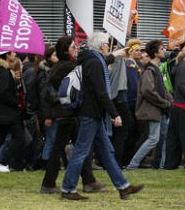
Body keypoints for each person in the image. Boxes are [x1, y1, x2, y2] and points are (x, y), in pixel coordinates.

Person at [61, 32, 144, 200]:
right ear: (101, 46)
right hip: (91, 113)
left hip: (93, 113)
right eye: (106, 44)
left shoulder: (92, 60)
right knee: (81, 152)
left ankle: (123, 187)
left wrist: (115, 55)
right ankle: (68, 189)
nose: (107, 46)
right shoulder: (94, 62)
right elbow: (101, 92)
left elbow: (101, 65)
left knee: (107, 152)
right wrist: (115, 114)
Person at [41, 37, 103, 194]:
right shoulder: (69, 66)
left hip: (63, 112)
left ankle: (88, 180)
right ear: (65, 51)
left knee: (76, 147)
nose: (77, 49)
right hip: (68, 111)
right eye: (73, 47)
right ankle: (49, 183)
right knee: (66, 147)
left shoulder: (58, 66)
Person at [126, 40, 172, 170]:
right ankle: (133, 164)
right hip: (154, 110)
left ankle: (162, 164)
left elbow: (162, 89)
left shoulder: (155, 69)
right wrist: (165, 102)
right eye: (162, 49)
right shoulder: (150, 70)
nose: (164, 51)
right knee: (153, 139)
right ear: (155, 53)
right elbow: (148, 91)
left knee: (163, 137)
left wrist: (169, 101)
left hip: (160, 109)